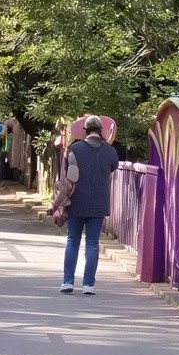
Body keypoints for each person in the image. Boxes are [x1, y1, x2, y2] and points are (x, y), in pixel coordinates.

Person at [54, 117, 121, 294]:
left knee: (72, 240)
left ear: (85, 130)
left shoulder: (74, 149)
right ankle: (88, 284)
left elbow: (68, 175)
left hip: (76, 202)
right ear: (100, 131)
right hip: (98, 203)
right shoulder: (110, 151)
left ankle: (68, 282)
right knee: (92, 243)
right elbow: (113, 167)